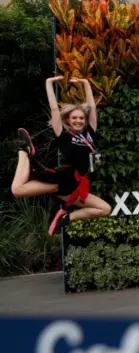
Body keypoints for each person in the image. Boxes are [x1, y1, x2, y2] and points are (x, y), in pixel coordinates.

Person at [10, 76, 112, 236]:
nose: (78, 120)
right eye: (74, 118)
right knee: (17, 190)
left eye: (81, 118)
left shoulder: (90, 132)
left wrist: (85, 84)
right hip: (64, 179)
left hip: (76, 185)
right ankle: (24, 151)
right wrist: (49, 83)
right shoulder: (63, 135)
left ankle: (67, 218)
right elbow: (54, 110)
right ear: (68, 120)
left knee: (105, 209)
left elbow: (92, 107)